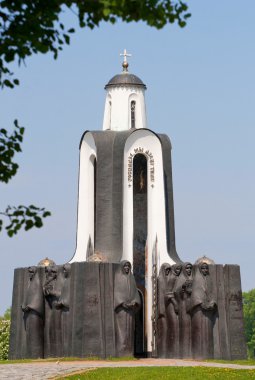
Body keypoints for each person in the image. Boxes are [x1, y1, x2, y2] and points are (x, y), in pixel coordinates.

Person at [189, 262, 217, 359]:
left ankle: (208, 354)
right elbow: (195, 294)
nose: (205, 270)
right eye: (203, 268)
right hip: (199, 310)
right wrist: (201, 303)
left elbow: (212, 293)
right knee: (199, 330)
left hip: (208, 310)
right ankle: (198, 354)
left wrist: (212, 303)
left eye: (206, 268)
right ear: (200, 270)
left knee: (207, 332)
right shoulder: (197, 279)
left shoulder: (209, 279)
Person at [114, 260, 140, 356]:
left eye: (128, 266)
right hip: (121, 310)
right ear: (122, 267)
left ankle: (129, 352)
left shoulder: (131, 278)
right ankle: (121, 351)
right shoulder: (117, 278)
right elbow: (116, 292)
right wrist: (121, 302)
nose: (127, 268)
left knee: (129, 330)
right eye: (125, 266)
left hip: (130, 310)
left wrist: (135, 302)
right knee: (121, 330)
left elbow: (135, 293)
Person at [22, 266, 44, 358]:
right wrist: (23, 305)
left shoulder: (37, 284)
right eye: (29, 273)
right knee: (29, 334)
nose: (30, 274)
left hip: (35, 315)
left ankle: (36, 355)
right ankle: (29, 354)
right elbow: (27, 298)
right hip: (29, 314)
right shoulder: (30, 284)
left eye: (31, 272)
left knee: (35, 335)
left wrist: (30, 306)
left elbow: (38, 300)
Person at [165, 264, 182, 357]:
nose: (178, 271)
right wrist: (175, 304)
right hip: (171, 305)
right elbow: (168, 293)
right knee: (174, 326)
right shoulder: (172, 278)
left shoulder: (177, 277)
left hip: (176, 304)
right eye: (177, 269)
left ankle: (176, 349)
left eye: (179, 269)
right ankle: (172, 349)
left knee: (177, 326)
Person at [157, 263, 171, 357]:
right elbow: (161, 296)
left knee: (167, 330)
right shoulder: (161, 280)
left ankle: (166, 351)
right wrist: (161, 310)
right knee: (163, 330)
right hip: (162, 310)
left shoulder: (167, 280)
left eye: (169, 270)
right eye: (166, 270)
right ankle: (162, 351)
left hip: (167, 308)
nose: (168, 272)